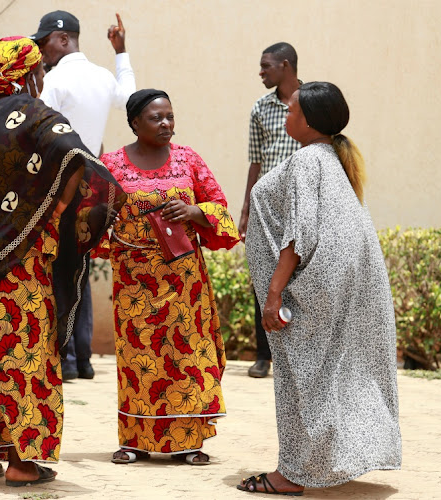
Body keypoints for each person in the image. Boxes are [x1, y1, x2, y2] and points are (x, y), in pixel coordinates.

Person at [0, 37, 126, 486]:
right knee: (24, 359)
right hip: (18, 267)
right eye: (39, 70)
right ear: (29, 75)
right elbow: (79, 159)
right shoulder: (40, 119)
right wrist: (55, 212)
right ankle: (22, 463)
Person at [240, 82, 402, 495]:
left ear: (309, 120)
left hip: (314, 290)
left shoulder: (308, 160)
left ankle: (291, 475)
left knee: (300, 375)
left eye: (292, 110)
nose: (286, 115)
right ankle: (329, 461)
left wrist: (273, 294)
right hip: (344, 287)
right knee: (335, 374)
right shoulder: (331, 159)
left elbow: (298, 236)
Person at [96, 89, 239, 465]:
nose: (166, 124)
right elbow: (89, 211)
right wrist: (101, 219)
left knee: (186, 357)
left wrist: (193, 211)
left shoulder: (188, 159)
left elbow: (219, 208)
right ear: (134, 123)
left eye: (170, 117)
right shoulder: (111, 163)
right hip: (134, 281)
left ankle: (188, 441)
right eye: (156, 118)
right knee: (137, 357)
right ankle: (135, 440)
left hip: (183, 281)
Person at [33, 10, 136, 380]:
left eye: (44, 44)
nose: (41, 55)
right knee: (80, 268)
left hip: (58, 184)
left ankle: (66, 359)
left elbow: (41, 132)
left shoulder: (54, 79)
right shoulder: (104, 76)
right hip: (93, 184)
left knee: (55, 270)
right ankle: (84, 358)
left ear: (62, 39)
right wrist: (121, 52)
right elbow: (130, 98)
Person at [239, 42, 302, 379]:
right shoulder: (260, 109)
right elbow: (255, 163)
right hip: (268, 208)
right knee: (264, 277)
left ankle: (298, 351)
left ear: (285, 65)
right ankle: (264, 355)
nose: (261, 72)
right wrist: (246, 211)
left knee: (301, 276)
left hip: (302, 204)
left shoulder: (312, 102)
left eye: (266, 66)